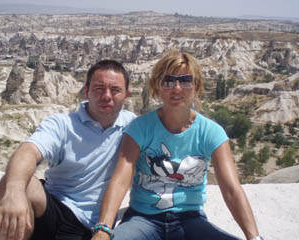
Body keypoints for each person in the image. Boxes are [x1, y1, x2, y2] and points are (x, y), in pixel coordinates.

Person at [92, 51, 263, 240]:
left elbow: (231, 189)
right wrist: (103, 229)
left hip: (190, 220)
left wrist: (253, 237)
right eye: (168, 81)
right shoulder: (140, 128)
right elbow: (120, 181)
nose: (177, 88)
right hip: (143, 219)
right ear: (157, 86)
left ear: (196, 86)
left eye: (186, 80)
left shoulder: (211, 133)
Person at [0, 59, 137, 240]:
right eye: (99, 88)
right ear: (86, 91)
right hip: (57, 211)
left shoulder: (133, 126)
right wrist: (14, 191)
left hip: (102, 222)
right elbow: (28, 151)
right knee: (10, 182)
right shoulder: (62, 125)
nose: (107, 96)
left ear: (126, 95)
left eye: (115, 90)